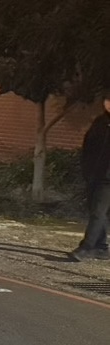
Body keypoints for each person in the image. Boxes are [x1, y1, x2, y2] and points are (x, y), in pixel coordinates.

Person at [68, 93, 110, 261]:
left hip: (108, 178)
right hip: (94, 174)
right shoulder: (100, 122)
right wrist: (86, 168)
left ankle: (86, 247)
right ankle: (101, 246)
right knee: (95, 210)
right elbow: (88, 145)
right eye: (107, 101)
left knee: (98, 211)